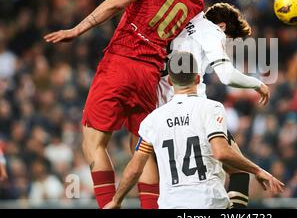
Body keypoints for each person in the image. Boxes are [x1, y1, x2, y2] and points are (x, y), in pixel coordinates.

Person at [44, 0, 219, 209]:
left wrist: (77, 29)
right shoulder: (196, 4)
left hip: (120, 63)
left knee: (93, 142)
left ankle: (107, 206)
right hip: (149, 76)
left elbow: (117, 3)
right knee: (141, 148)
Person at [127, 0, 270, 208]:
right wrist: (258, 84)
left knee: (165, 179)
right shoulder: (213, 32)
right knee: (239, 170)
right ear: (224, 27)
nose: (226, 46)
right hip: (195, 110)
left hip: (160, 111)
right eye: (230, 42)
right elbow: (226, 76)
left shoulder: (185, 14)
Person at [104, 52, 284, 209]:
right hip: (207, 204)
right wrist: (258, 170)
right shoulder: (211, 108)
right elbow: (221, 153)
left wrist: (117, 200)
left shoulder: (153, 120)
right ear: (198, 78)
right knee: (241, 173)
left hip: (171, 206)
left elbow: (135, 169)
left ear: (169, 80)